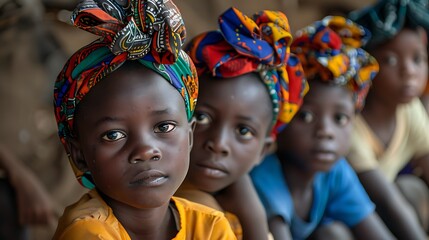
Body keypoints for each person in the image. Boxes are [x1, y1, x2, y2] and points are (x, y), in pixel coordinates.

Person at [51, 0, 237, 239]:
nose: (146, 150)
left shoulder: (209, 226)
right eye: (113, 134)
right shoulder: (87, 233)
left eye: (164, 126)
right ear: (79, 155)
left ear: (190, 136)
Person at [250, 16, 395, 240]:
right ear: (280, 120)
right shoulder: (264, 179)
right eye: (306, 116)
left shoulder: (336, 173)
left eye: (340, 118)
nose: (325, 131)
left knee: (333, 233)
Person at [174, 7, 308, 240]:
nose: (218, 144)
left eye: (243, 131)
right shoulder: (197, 211)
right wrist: (254, 217)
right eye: (202, 118)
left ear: (263, 150)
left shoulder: (234, 201)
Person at [346, 0, 429, 238]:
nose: (409, 71)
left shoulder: (410, 109)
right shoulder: (351, 126)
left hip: (389, 211)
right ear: (365, 67)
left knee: (412, 189)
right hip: (357, 221)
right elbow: (388, 201)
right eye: (390, 60)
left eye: (418, 59)